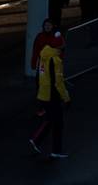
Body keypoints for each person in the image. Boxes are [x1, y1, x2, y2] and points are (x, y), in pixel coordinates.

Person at [29, 24, 70, 160]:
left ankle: (37, 141)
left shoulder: (44, 56)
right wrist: (66, 98)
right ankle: (54, 150)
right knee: (58, 123)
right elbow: (58, 82)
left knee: (51, 120)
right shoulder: (55, 59)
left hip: (44, 93)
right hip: (53, 95)